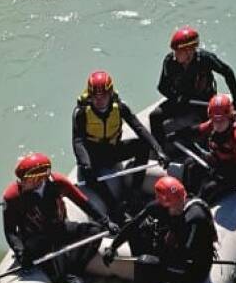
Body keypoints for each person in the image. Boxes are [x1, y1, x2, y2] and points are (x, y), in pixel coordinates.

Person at [2, 152, 120, 283]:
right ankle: (60, 275)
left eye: (24, 180)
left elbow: (83, 202)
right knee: (56, 277)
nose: (20, 183)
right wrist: (21, 253)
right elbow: (10, 231)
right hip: (35, 238)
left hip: (59, 227)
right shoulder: (12, 196)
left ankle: (74, 271)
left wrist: (106, 222)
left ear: (38, 178)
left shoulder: (58, 182)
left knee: (95, 231)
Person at [87, 176, 217, 283]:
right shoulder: (159, 207)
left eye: (180, 201)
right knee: (141, 230)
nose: (179, 206)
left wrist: (156, 258)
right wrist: (113, 247)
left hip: (191, 267)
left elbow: (184, 255)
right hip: (174, 250)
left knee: (146, 263)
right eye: (175, 204)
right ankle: (147, 274)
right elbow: (133, 225)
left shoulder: (195, 219)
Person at [71, 70, 167, 213]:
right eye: (95, 97)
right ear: (90, 96)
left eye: (103, 96)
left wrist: (158, 150)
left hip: (112, 150)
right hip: (93, 156)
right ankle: (113, 206)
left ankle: (134, 191)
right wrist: (85, 162)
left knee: (142, 147)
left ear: (110, 94)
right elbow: (78, 141)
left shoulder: (120, 107)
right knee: (89, 173)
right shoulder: (81, 113)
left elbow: (139, 128)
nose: (99, 100)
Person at [149, 26, 236, 149]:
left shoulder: (205, 59)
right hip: (182, 100)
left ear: (189, 51)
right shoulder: (170, 62)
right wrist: (176, 97)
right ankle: (159, 149)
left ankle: (211, 149)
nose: (175, 55)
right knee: (155, 116)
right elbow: (162, 87)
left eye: (178, 51)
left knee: (213, 126)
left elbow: (228, 73)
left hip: (203, 102)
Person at [177, 94, 236, 204]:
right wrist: (177, 135)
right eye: (215, 120)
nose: (218, 124)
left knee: (209, 189)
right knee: (190, 164)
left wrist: (220, 173)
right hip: (223, 163)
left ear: (229, 117)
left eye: (221, 121)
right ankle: (185, 197)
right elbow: (197, 131)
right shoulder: (214, 123)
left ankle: (199, 206)